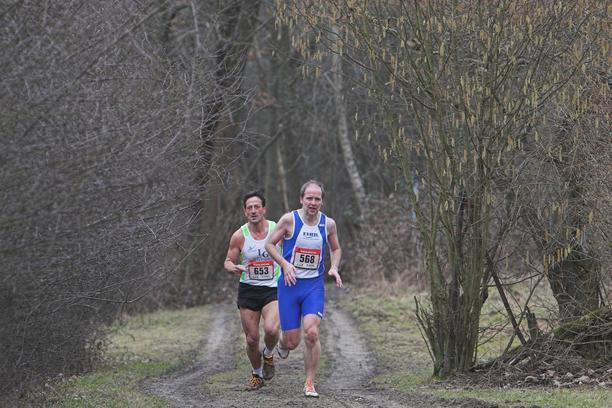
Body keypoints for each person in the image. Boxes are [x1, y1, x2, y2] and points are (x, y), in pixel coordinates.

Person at [265, 180, 343, 398]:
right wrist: (285, 264)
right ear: (301, 199)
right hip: (289, 286)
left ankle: (309, 383)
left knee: (311, 332)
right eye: (309, 198)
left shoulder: (328, 224)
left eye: (317, 199)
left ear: (322, 201)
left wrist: (334, 267)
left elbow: (336, 248)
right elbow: (269, 244)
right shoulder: (289, 220)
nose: (313, 202)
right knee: (292, 342)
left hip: (313, 287)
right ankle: (282, 343)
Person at [224, 191, 281, 390]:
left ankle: (268, 354)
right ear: (245, 212)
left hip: (273, 288)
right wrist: (233, 267)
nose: (254, 210)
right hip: (249, 289)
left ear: (264, 209)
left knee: (272, 330)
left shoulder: (276, 229)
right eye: (250, 207)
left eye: (257, 207)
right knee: (251, 339)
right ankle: (257, 375)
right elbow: (228, 261)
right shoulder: (239, 235)